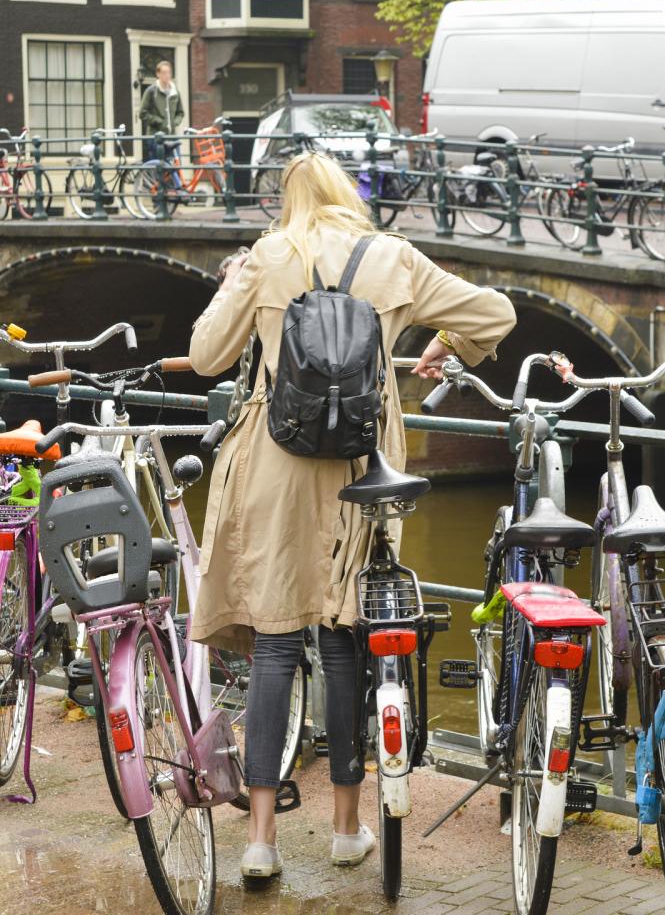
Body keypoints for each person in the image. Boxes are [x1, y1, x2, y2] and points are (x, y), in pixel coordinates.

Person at [188, 152, 516, 880]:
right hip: (364, 470)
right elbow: (496, 312)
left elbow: (206, 355)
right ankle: (345, 828)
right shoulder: (394, 258)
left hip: (276, 468)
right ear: (346, 197)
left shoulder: (269, 257)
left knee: (275, 647)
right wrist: (444, 343)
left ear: (287, 201)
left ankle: (260, 841)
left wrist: (233, 283)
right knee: (344, 647)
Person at [139, 59, 184, 162]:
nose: (167, 75)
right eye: (164, 73)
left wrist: (174, 122)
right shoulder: (151, 91)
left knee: (176, 165)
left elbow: (180, 112)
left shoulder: (175, 92)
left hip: (171, 136)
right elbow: (142, 113)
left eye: (168, 72)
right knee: (159, 167)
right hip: (156, 137)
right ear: (157, 74)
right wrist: (159, 121)